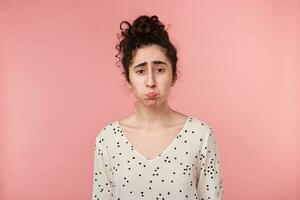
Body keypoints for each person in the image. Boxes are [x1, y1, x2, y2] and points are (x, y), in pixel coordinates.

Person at [92, 15, 224, 200]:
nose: (151, 82)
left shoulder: (200, 135)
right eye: (140, 71)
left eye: (159, 69)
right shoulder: (108, 140)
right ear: (128, 79)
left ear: (174, 75)